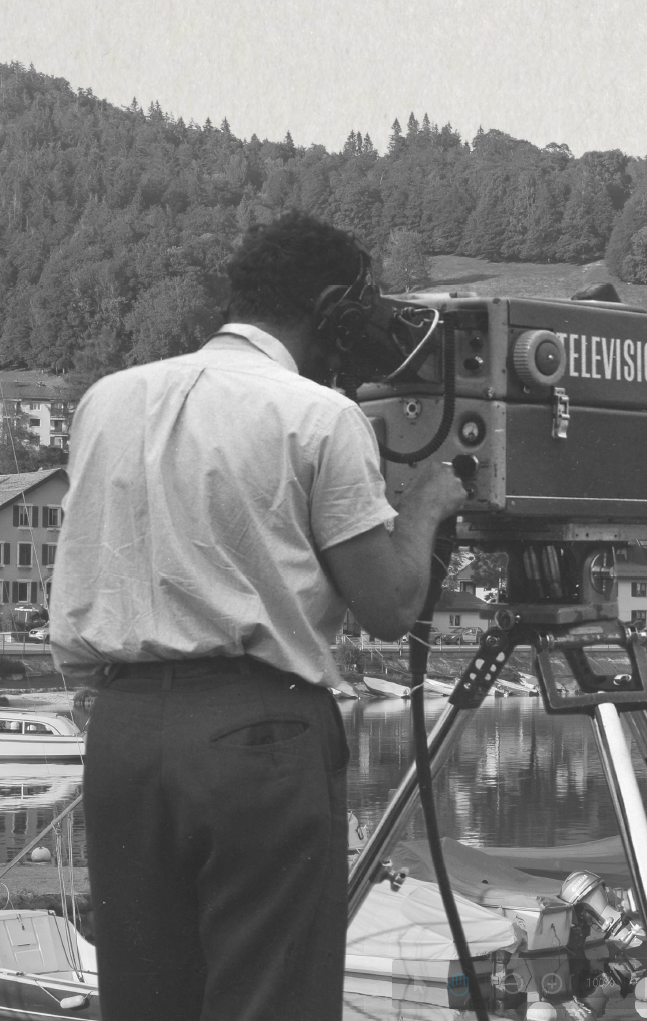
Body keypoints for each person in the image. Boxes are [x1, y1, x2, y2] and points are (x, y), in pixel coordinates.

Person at [50, 211, 467, 1021]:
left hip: (124, 733)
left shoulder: (107, 399)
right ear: (335, 309)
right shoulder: (317, 415)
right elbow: (389, 605)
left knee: (145, 1001)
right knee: (269, 999)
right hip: (256, 735)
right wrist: (423, 506)